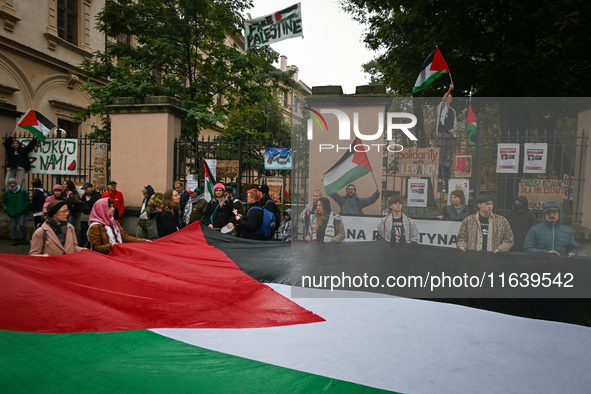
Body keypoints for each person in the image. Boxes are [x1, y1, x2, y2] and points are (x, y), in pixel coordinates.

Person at [435, 83, 457, 179]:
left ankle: (446, 170)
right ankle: (439, 170)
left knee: (449, 153)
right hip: (441, 133)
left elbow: (455, 123)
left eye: (450, 98)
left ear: (451, 100)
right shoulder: (441, 107)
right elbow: (443, 99)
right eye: (447, 97)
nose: (448, 99)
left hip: (449, 134)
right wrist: (449, 89)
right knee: (440, 152)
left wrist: (453, 130)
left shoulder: (453, 111)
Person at [2, 177, 30, 245]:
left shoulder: (22, 192)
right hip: (11, 212)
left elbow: (27, 201)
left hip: (21, 211)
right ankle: (15, 239)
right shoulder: (7, 193)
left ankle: (23, 238)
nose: (12, 185)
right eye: (10, 183)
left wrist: (24, 208)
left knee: (21, 225)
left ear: (16, 183)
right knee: (13, 226)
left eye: (13, 183)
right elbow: (4, 202)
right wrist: (6, 209)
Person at [79, 182, 101, 247]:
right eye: (85, 189)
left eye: (87, 188)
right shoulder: (85, 194)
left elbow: (96, 205)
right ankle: (81, 243)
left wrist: (89, 200)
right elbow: (82, 201)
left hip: (91, 214)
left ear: (91, 188)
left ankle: (88, 244)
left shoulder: (97, 195)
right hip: (84, 213)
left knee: (89, 230)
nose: (86, 190)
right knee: (82, 229)